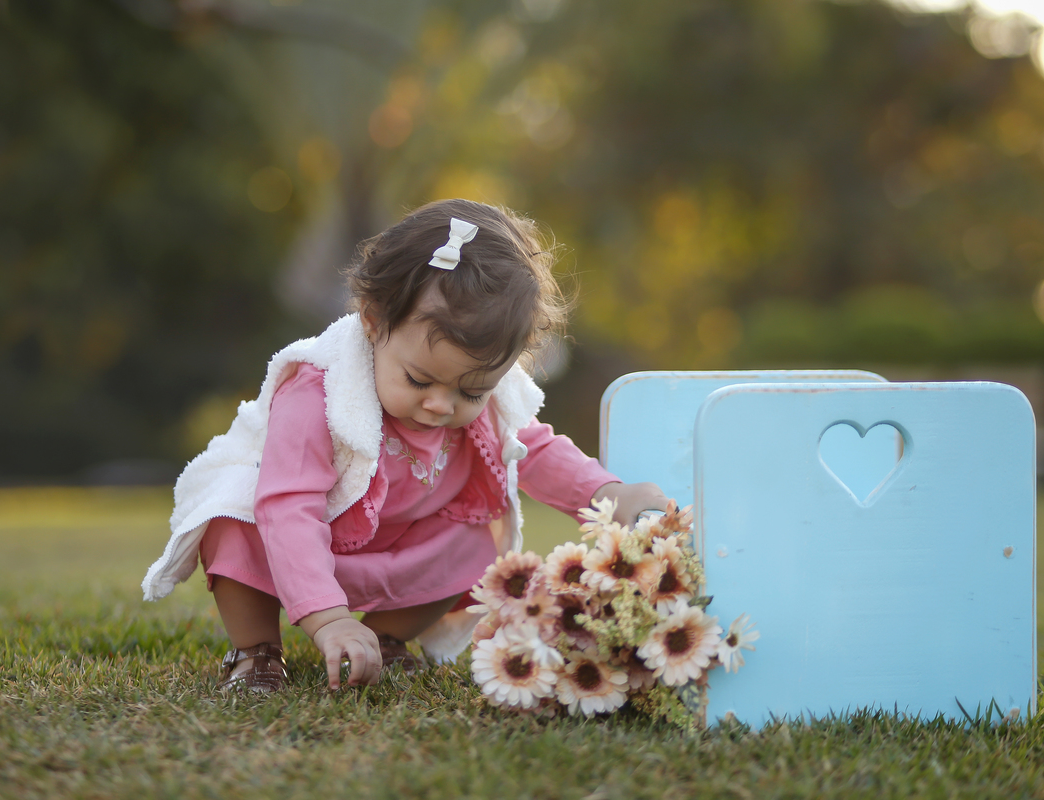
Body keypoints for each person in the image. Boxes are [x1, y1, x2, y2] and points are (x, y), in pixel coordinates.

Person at [142, 199, 669, 694]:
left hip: (392, 547)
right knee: (232, 519)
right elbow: (288, 506)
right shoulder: (318, 393)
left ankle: (385, 637)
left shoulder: (487, 403)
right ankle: (257, 651)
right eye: (420, 380)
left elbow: (533, 448)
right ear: (374, 321)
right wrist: (326, 615)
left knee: (472, 547)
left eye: (470, 391)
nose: (442, 405)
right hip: (297, 538)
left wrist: (608, 494)